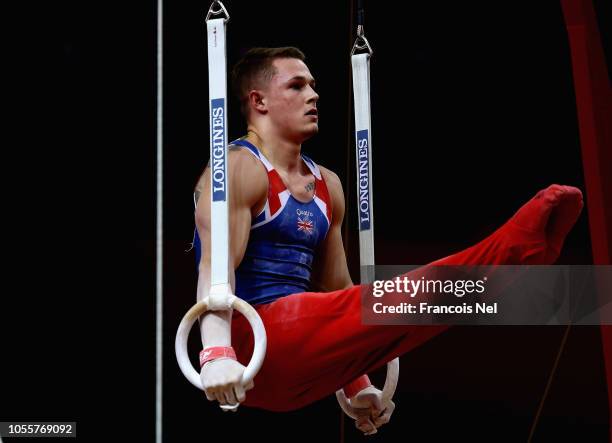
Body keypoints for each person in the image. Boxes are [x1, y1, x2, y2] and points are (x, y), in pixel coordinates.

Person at [193, 47, 584, 436]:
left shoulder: (328, 185)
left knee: (416, 314)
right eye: (296, 86)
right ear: (258, 101)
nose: (313, 95)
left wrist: (358, 386)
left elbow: (340, 293)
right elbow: (215, 268)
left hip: (302, 364)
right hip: (250, 347)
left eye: (313, 85)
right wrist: (215, 353)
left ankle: (505, 272)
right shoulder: (239, 168)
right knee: (404, 296)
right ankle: (517, 246)